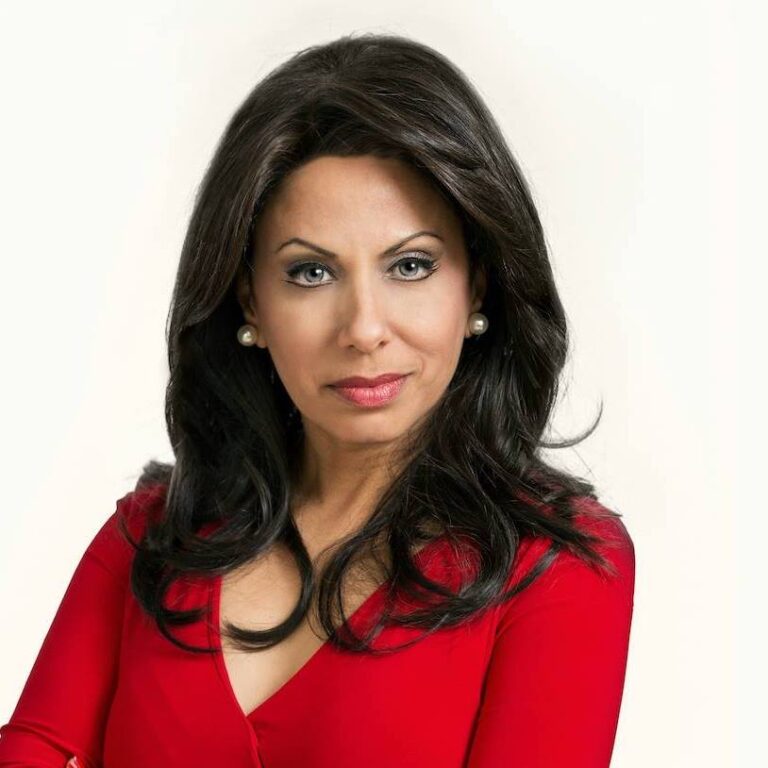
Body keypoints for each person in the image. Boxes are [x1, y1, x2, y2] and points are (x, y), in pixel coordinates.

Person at [0, 32, 635, 767]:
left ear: (478, 286)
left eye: (411, 265)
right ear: (250, 300)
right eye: (310, 273)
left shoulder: (558, 568)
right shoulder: (152, 536)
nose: (363, 329)